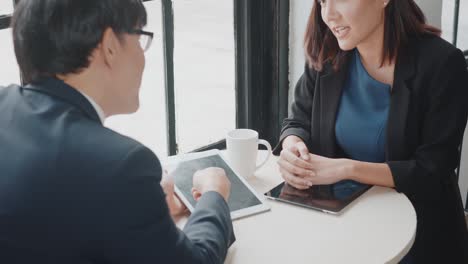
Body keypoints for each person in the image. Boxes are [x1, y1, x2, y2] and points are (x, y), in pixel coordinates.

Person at [0, 0, 235, 263]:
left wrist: (139, 210)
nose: (143, 55)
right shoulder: (123, 165)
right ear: (110, 46)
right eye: (140, 37)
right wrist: (214, 195)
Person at [274, 0, 468, 263]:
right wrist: (292, 145)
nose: (328, 15)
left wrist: (347, 168)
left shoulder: (443, 64)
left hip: (416, 233)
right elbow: (298, 119)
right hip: (342, 223)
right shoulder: (329, 51)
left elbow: (434, 168)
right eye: (321, 2)